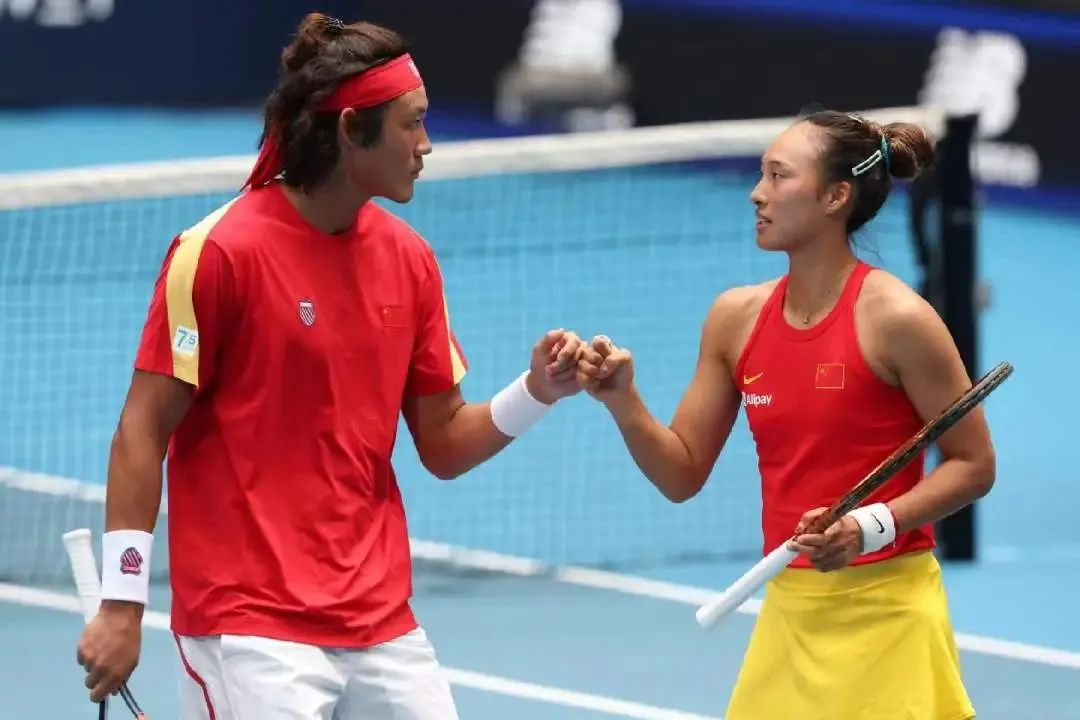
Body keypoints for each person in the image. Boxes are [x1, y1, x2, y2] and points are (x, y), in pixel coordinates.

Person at [75, 13, 585, 720]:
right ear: (352, 130)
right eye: (412, 123)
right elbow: (142, 430)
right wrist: (122, 604)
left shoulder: (410, 260)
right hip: (249, 626)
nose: (427, 144)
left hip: (380, 621)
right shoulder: (218, 254)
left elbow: (443, 442)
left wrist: (537, 391)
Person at [576, 110, 996, 719]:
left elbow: (974, 464)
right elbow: (680, 473)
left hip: (889, 614)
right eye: (761, 174)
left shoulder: (899, 319)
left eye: (778, 176)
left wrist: (870, 524)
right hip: (790, 612)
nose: (757, 192)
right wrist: (623, 399)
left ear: (834, 197)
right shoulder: (735, 319)